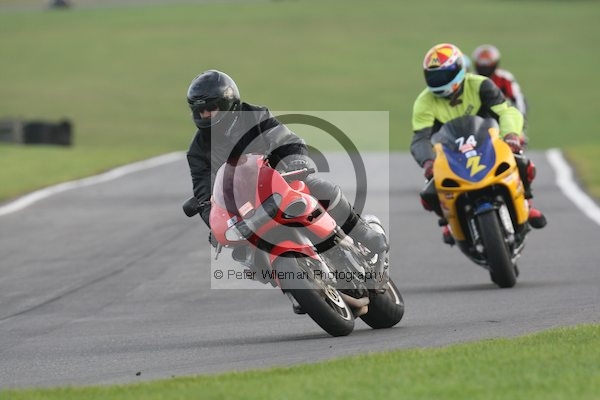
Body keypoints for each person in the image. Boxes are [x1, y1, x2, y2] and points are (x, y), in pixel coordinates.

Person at [185, 69, 388, 257]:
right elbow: (204, 193)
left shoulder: (256, 115)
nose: (205, 115)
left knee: (320, 188)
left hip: (279, 182)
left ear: (229, 104)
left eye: (211, 108)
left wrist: (295, 160)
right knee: (241, 251)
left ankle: (362, 232)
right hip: (244, 204)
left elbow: (286, 140)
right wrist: (214, 223)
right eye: (200, 110)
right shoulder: (197, 151)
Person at [410, 43, 546, 245]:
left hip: (488, 142)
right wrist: (428, 162)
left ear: (458, 69)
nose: (438, 81)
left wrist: (511, 135)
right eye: (433, 76)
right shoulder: (424, 102)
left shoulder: (481, 85)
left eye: (443, 75)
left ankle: (527, 203)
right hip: (451, 152)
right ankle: (448, 221)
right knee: (428, 193)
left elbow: (507, 112)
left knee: (522, 162)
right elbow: (420, 138)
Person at [472, 44, 528, 118]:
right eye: (482, 62)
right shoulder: (471, 79)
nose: (485, 66)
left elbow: (517, 98)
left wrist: (521, 117)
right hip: (476, 119)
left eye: (489, 62)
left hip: (501, 117)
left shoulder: (505, 78)